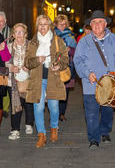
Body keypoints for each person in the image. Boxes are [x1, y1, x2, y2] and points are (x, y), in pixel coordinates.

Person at [74, 10, 115, 149]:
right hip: (91, 84)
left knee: (107, 111)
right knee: (92, 113)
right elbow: (77, 60)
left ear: (105, 24)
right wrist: (87, 73)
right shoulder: (84, 42)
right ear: (90, 25)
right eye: (94, 22)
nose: (97, 25)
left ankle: (105, 131)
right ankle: (94, 139)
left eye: (100, 22)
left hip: (112, 83)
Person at [24, 15, 68, 148]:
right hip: (37, 80)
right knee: (39, 107)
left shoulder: (57, 41)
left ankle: (54, 128)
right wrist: (37, 60)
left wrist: (58, 66)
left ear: (50, 26)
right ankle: (41, 135)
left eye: (45, 24)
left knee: (54, 107)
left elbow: (65, 60)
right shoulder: (32, 43)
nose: (43, 27)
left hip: (53, 79)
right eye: (40, 24)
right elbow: (27, 62)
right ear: (37, 26)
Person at [5, 23, 34, 140]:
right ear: (13, 34)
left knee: (28, 103)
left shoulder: (32, 46)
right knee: (15, 104)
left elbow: (36, 60)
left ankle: (29, 123)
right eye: (16, 32)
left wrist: (29, 65)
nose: (19, 34)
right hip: (13, 80)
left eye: (21, 32)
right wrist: (11, 67)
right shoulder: (8, 46)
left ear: (26, 34)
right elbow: (5, 61)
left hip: (29, 79)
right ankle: (15, 129)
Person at [54, 14, 77, 122]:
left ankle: (62, 113)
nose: (62, 26)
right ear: (56, 24)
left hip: (67, 67)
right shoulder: (52, 35)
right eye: (60, 24)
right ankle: (54, 113)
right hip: (54, 66)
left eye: (64, 24)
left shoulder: (71, 36)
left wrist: (70, 49)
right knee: (54, 90)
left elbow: (76, 51)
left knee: (65, 91)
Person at [0, 11, 12, 119]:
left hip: (6, 62)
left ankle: (4, 109)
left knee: (5, 85)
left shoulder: (10, 33)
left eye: (1, 22)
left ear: (5, 21)